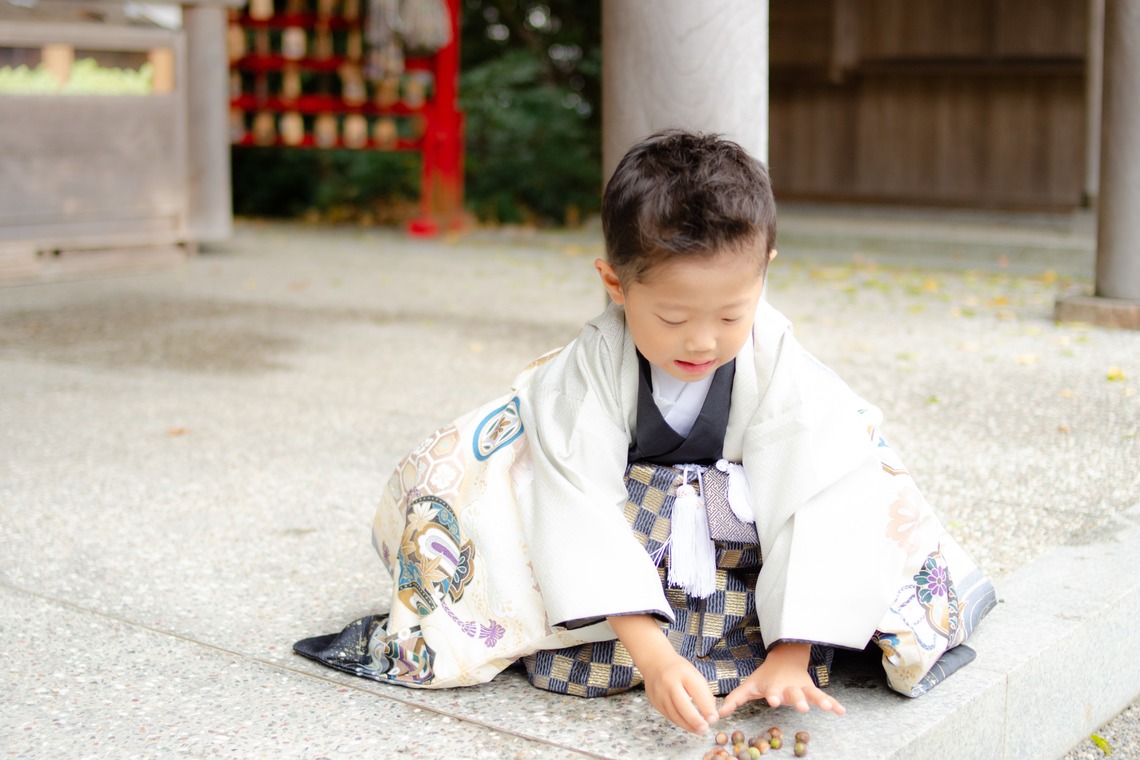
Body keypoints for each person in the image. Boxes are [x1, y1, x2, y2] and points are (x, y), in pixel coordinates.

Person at [294, 129, 995, 735]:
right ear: (615, 284)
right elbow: (576, 507)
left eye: (732, 314)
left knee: (858, 465)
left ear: (765, 273)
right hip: (627, 542)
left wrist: (795, 652)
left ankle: (771, 645)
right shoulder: (589, 369)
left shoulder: (781, 364)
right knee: (499, 477)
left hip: (733, 532)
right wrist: (654, 657)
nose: (702, 340)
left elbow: (821, 494)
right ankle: (638, 643)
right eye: (672, 317)